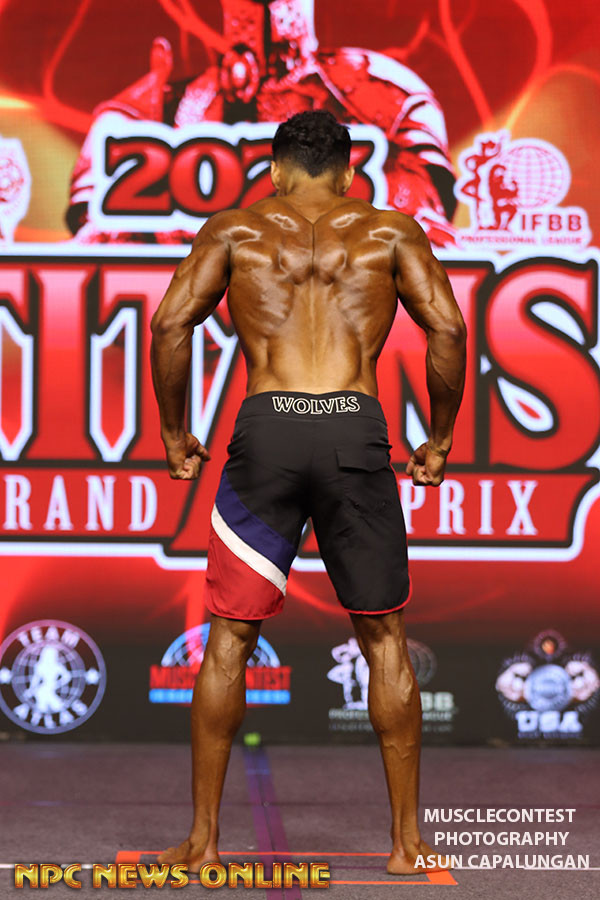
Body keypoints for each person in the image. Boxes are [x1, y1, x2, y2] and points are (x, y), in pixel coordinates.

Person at [150, 109, 466, 875]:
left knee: (230, 636)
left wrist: (174, 432)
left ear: (275, 170)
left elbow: (169, 325)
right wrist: (440, 438)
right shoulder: (390, 231)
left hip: (270, 429)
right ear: (350, 173)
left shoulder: (236, 230)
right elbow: (449, 330)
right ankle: (406, 845)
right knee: (383, 637)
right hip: (354, 427)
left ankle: (204, 841)